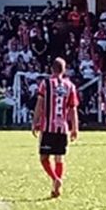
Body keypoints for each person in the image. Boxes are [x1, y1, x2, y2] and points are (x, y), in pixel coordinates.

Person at [32, 57, 79, 199]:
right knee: (59, 158)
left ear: (52, 69)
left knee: (44, 157)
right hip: (62, 128)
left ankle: (55, 179)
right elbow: (73, 109)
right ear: (64, 70)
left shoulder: (45, 84)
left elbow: (40, 104)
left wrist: (35, 122)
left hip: (48, 127)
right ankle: (56, 188)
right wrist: (75, 127)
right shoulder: (70, 86)